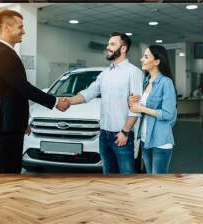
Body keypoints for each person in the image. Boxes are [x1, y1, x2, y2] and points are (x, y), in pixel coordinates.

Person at [0, 10, 70, 173]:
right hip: (8, 123)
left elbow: (13, 92)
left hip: (11, 121)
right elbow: (24, 87)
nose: (24, 31)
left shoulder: (4, 52)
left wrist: (22, 120)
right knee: (8, 167)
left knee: (10, 164)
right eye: (20, 27)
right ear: (6, 28)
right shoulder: (3, 54)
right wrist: (55, 102)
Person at [64, 32, 143, 174]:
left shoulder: (134, 72)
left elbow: (136, 108)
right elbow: (89, 93)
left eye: (112, 44)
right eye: (108, 44)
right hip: (104, 135)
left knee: (127, 175)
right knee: (108, 175)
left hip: (121, 134)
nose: (108, 47)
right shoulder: (105, 73)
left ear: (123, 48)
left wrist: (125, 132)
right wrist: (68, 101)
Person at [129, 45, 177, 174]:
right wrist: (132, 102)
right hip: (145, 139)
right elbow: (137, 107)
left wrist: (142, 108)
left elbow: (168, 114)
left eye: (146, 56)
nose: (141, 59)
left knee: (158, 182)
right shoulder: (145, 81)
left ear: (157, 61)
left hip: (160, 141)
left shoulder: (166, 82)